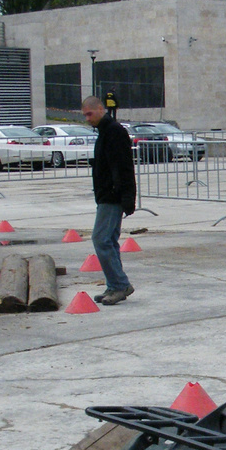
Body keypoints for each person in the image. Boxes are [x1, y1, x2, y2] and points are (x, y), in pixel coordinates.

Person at [81, 95, 137, 305]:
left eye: (89, 113)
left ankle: (120, 284)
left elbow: (123, 167)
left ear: (100, 109)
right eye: (85, 115)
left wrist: (125, 196)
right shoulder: (106, 132)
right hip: (108, 194)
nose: (87, 118)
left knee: (101, 239)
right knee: (108, 240)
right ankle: (115, 285)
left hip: (112, 195)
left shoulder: (113, 132)